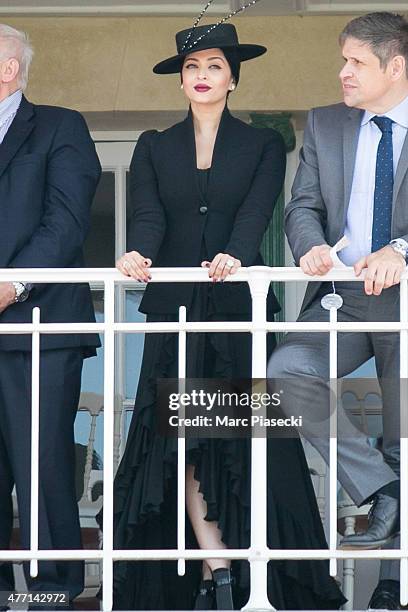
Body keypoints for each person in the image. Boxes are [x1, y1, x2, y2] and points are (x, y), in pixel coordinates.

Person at [108, 11, 346, 611]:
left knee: (246, 440)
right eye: (192, 67)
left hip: (238, 308)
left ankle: (258, 572)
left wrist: (234, 256)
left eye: (215, 66)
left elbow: (258, 211)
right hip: (176, 311)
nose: (203, 75)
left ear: (233, 78)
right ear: (182, 80)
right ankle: (216, 572)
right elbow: (148, 217)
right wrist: (137, 252)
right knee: (182, 440)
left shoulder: (262, 143)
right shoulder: (154, 145)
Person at [267, 11, 408, 611]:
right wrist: (311, 246)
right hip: (340, 298)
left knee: (405, 433)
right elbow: (301, 205)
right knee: (285, 373)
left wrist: (401, 250)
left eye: (356, 62)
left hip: (405, 294)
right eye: (342, 59)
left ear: (395, 66)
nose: (342, 72)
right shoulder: (325, 123)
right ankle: (382, 488)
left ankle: (393, 588)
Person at [0, 24, 101, 606]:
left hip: (37, 324)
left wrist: (10, 285)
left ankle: (52, 593)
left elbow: (65, 223)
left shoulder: (61, 126)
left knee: (42, 469)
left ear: (8, 70)